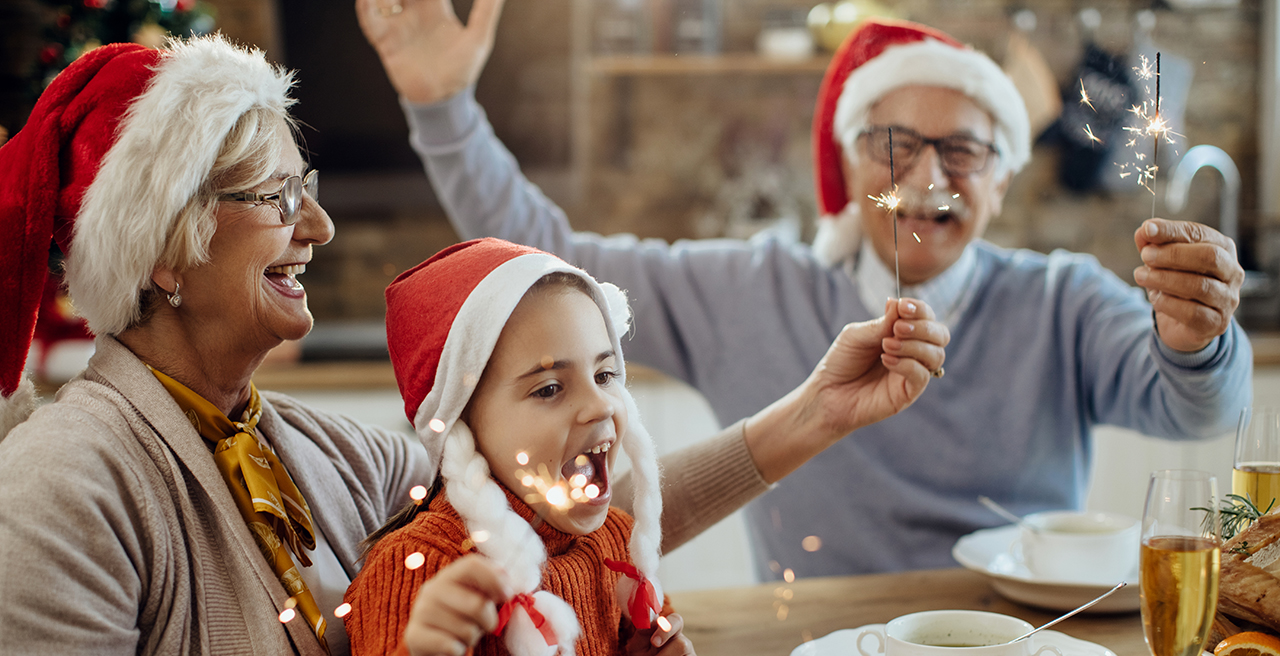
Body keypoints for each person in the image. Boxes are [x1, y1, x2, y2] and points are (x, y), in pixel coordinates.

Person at [0, 35, 946, 656]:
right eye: (277, 194)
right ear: (161, 246)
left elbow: (557, 517)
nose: (320, 227)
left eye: (310, 189)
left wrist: (815, 414)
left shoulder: (329, 456)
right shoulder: (66, 484)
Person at [357, 0, 1254, 578]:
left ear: (1004, 178)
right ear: (849, 161)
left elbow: (1196, 412)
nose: (927, 177)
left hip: (1020, 649)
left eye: (964, 151)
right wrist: (445, 111)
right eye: (894, 144)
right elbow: (547, 253)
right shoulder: (749, 286)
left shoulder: (1064, 301)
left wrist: (1195, 339)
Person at [328, 238, 705, 656]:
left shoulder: (605, 542)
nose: (601, 405)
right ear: (463, 424)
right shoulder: (420, 572)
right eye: (549, 389)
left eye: (606, 373)